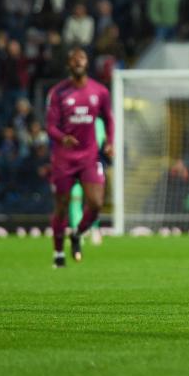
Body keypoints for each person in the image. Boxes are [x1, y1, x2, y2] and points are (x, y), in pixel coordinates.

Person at [45, 47, 114, 267]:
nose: (78, 62)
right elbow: (50, 126)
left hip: (89, 157)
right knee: (62, 206)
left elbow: (109, 119)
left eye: (81, 59)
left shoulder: (99, 91)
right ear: (68, 64)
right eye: (73, 60)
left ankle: (77, 234)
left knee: (96, 203)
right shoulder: (58, 93)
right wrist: (62, 138)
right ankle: (58, 253)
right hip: (64, 159)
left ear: (87, 62)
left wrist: (110, 142)